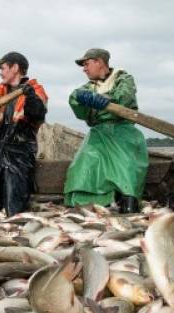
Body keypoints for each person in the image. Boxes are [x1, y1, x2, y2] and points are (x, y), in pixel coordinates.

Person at [64, 48, 148, 213]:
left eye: (87, 64)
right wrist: (78, 98)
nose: (84, 69)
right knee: (84, 164)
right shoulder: (89, 87)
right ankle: (89, 204)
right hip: (98, 133)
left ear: (99, 62)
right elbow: (76, 100)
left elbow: (124, 98)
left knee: (125, 165)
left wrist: (105, 100)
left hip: (123, 131)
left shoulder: (123, 79)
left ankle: (128, 201)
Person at [0, 51, 48, 216]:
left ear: (15, 68)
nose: (0, 72)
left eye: (3, 68)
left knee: (14, 197)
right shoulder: (0, 90)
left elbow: (38, 114)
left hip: (19, 148)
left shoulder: (36, 89)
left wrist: (31, 97)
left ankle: (13, 219)